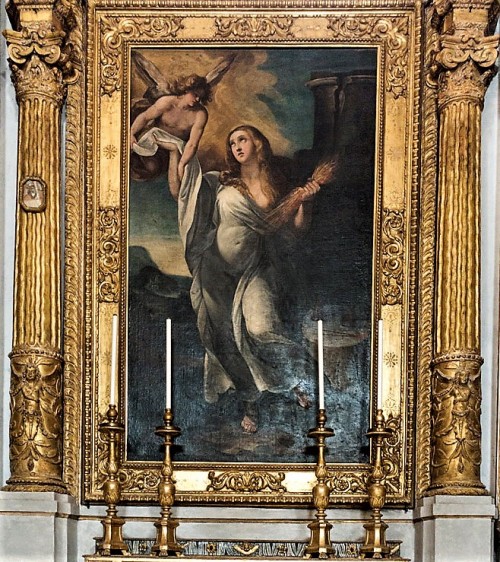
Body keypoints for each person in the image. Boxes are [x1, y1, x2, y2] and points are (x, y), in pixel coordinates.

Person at [163, 125, 321, 433]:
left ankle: (291, 377)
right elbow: (180, 191)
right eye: (232, 141)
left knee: (262, 328)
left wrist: (306, 203)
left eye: (242, 139)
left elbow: (295, 233)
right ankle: (250, 399)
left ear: (258, 142)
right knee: (222, 339)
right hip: (215, 270)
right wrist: (173, 153)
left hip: (254, 268)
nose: (236, 146)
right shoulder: (222, 180)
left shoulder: (277, 185)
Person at [130, 74, 212, 182]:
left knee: (168, 174)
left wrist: (182, 164)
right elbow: (145, 117)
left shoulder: (200, 114)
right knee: (141, 163)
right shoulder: (167, 102)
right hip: (153, 141)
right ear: (186, 90)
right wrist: (131, 133)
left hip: (173, 150)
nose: (197, 99)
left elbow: (192, 143)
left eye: (200, 98)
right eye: (195, 95)